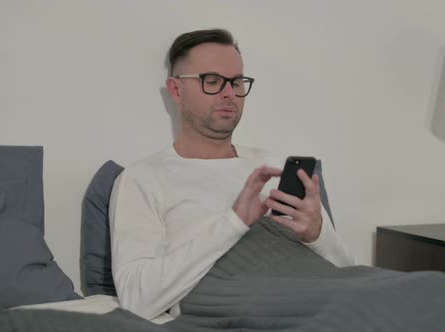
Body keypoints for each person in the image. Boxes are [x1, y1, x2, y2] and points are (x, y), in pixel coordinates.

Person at [109, 28, 355, 321]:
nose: (229, 93)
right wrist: (234, 222)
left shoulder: (271, 166)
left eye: (237, 82)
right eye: (212, 81)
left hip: (318, 286)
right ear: (176, 90)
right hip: (250, 298)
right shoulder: (143, 179)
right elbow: (137, 298)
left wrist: (317, 234)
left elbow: (347, 271)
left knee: (404, 292)